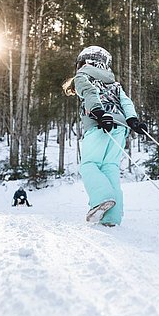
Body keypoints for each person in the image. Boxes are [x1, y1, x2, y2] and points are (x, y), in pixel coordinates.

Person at [63, 46, 147, 226]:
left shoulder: (82, 76)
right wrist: (133, 120)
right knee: (110, 167)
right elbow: (125, 101)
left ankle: (101, 198)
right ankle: (112, 218)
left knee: (89, 165)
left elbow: (89, 92)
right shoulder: (114, 83)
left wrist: (99, 112)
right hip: (120, 128)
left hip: (99, 124)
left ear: (83, 63)